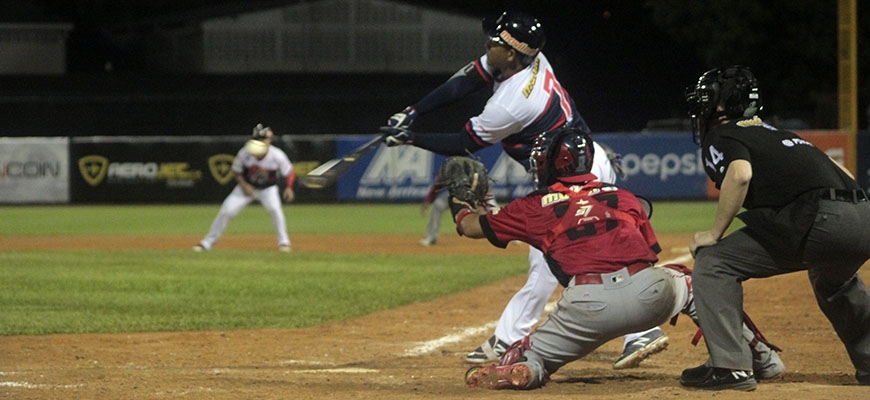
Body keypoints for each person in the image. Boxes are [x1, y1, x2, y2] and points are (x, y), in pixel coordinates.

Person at [380, 10, 665, 368]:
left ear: (512, 54)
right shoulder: (532, 58)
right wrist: (414, 111)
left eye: (495, 43)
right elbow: (467, 79)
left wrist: (410, 138)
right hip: (580, 161)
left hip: (574, 176)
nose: (488, 46)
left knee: (560, 258)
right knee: (559, 259)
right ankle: (517, 335)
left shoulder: (511, 103)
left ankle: (518, 337)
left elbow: (464, 143)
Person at [455, 128, 783, 390]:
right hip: (648, 293)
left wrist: (460, 203)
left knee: (527, 355)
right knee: (693, 282)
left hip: (584, 308)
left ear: (553, 163)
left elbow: (471, 227)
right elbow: (647, 253)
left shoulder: (532, 205)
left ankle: (529, 367)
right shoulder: (623, 196)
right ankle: (763, 359)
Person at [682, 65, 870, 390]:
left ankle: (731, 367)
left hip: (822, 220)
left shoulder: (722, 134)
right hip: (863, 216)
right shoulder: (781, 133)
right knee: (833, 281)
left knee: (714, 263)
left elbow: (740, 175)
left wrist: (714, 234)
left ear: (722, 103)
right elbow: (846, 175)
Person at [194, 124, 296, 252]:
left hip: (267, 189)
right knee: (226, 211)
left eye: (263, 139)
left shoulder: (277, 155)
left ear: (269, 140)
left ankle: (284, 242)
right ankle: (207, 243)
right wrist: (244, 185)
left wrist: (289, 187)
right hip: (246, 188)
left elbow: (289, 172)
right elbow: (236, 171)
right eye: (258, 139)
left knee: (275, 210)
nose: (261, 141)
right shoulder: (245, 153)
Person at [419, 175, 449, 246]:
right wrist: (427, 201)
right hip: (453, 194)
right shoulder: (446, 171)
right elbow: (436, 187)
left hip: (467, 194)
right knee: (437, 204)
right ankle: (432, 236)